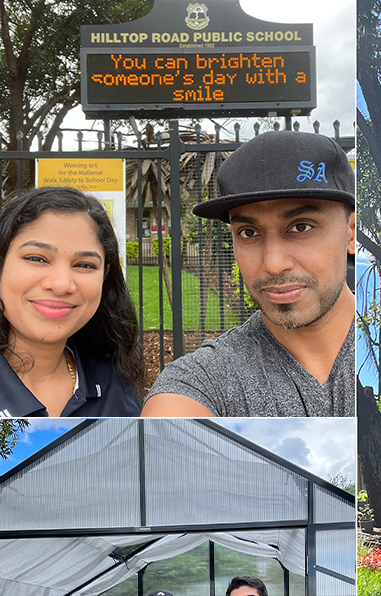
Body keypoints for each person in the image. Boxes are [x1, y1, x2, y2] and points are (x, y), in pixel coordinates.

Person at [142, 130, 356, 417]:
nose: (273, 264)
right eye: (248, 232)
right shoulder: (206, 379)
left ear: (352, 232)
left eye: (301, 226)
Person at [0, 187, 143, 417]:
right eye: (37, 258)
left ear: (104, 276)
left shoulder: (114, 386)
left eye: (85, 265)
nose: (61, 284)